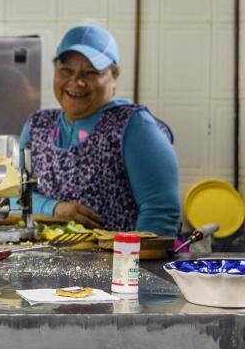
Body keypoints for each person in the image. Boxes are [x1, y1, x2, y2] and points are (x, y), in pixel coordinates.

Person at [20, 25, 180, 236]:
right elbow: (15, 196)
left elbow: (160, 213)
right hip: (43, 260)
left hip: (116, 265)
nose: (76, 82)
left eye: (91, 72)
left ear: (114, 76)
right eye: (66, 71)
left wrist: (131, 265)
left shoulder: (134, 126)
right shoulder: (37, 126)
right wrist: (56, 209)